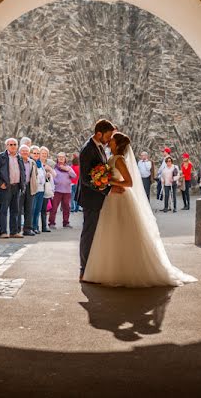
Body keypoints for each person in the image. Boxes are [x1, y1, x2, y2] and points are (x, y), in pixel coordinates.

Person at [82, 132, 196, 287]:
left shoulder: (119, 159)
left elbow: (129, 182)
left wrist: (112, 182)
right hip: (112, 198)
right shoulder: (111, 157)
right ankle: (112, 268)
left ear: (118, 144)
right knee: (111, 232)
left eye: (113, 140)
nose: (110, 141)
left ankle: (125, 270)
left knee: (123, 232)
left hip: (121, 197)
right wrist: (107, 181)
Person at [78, 119, 117, 281]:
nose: (109, 140)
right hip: (91, 199)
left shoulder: (99, 147)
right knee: (88, 233)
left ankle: (93, 267)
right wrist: (107, 189)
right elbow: (86, 179)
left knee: (95, 233)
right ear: (99, 133)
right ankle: (84, 269)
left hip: (97, 197)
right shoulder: (88, 150)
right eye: (107, 136)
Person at [0, 138, 25, 238]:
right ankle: (3, 232)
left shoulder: (19, 157)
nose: (13, 146)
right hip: (6, 187)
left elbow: (22, 171)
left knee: (15, 210)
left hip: (17, 186)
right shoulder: (1, 157)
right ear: (7, 146)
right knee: (4, 210)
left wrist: (22, 184)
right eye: (11, 144)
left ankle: (14, 232)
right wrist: (0, 183)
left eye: (15, 144)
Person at [50, 152, 77, 228]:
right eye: (59, 157)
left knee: (66, 207)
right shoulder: (54, 167)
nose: (61, 159)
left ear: (65, 159)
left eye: (63, 157)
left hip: (67, 191)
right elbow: (52, 178)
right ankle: (51, 223)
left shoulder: (68, 167)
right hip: (57, 190)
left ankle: (66, 222)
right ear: (57, 159)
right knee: (54, 207)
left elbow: (74, 176)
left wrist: (68, 170)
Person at [19, 145, 38, 236]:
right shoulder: (17, 161)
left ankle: (28, 229)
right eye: (23, 151)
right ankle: (18, 229)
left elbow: (36, 174)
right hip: (19, 187)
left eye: (26, 151)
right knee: (18, 209)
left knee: (29, 209)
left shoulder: (32, 162)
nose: (25, 153)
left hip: (30, 187)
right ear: (20, 152)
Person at [30, 149, 47, 234]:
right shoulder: (31, 163)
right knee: (32, 209)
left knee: (38, 210)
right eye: (34, 153)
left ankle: (36, 226)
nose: (36, 154)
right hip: (34, 189)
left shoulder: (41, 164)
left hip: (41, 189)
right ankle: (32, 227)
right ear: (31, 154)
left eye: (38, 153)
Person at [38, 146, 54, 232]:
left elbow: (55, 175)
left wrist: (49, 171)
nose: (44, 155)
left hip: (46, 188)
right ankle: (35, 227)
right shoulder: (36, 162)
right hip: (38, 188)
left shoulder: (49, 163)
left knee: (44, 209)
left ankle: (44, 227)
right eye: (42, 153)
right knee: (36, 209)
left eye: (45, 154)